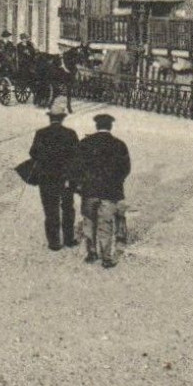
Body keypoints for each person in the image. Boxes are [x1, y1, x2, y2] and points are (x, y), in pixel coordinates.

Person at [74, 113, 131, 268]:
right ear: (110, 127)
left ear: (96, 126)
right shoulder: (119, 145)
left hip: (89, 191)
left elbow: (76, 167)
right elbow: (125, 169)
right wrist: (115, 183)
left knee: (89, 223)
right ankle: (106, 258)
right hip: (109, 193)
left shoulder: (85, 143)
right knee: (105, 225)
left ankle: (91, 253)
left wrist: (80, 184)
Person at [27, 109, 80, 251]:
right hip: (65, 178)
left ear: (50, 119)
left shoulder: (41, 133)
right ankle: (69, 239)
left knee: (51, 209)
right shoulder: (70, 133)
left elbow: (33, 153)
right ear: (62, 119)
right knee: (67, 208)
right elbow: (77, 155)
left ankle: (54, 242)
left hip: (46, 177)